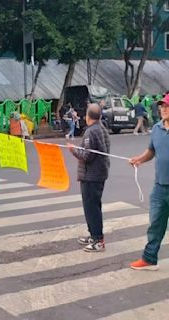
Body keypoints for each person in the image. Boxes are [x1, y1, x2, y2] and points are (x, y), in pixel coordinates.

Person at [129, 94, 169, 270]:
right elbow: (151, 150)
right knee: (155, 224)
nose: (163, 109)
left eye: (167, 106)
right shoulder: (157, 128)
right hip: (160, 187)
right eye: (162, 106)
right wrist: (139, 159)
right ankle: (149, 258)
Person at [68, 103, 110, 252]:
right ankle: (94, 235)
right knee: (94, 207)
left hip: (91, 176)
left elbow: (87, 155)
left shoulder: (91, 132)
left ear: (87, 116)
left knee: (91, 208)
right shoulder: (102, 129)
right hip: (99, 174)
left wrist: (73, 150)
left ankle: (98, 240)